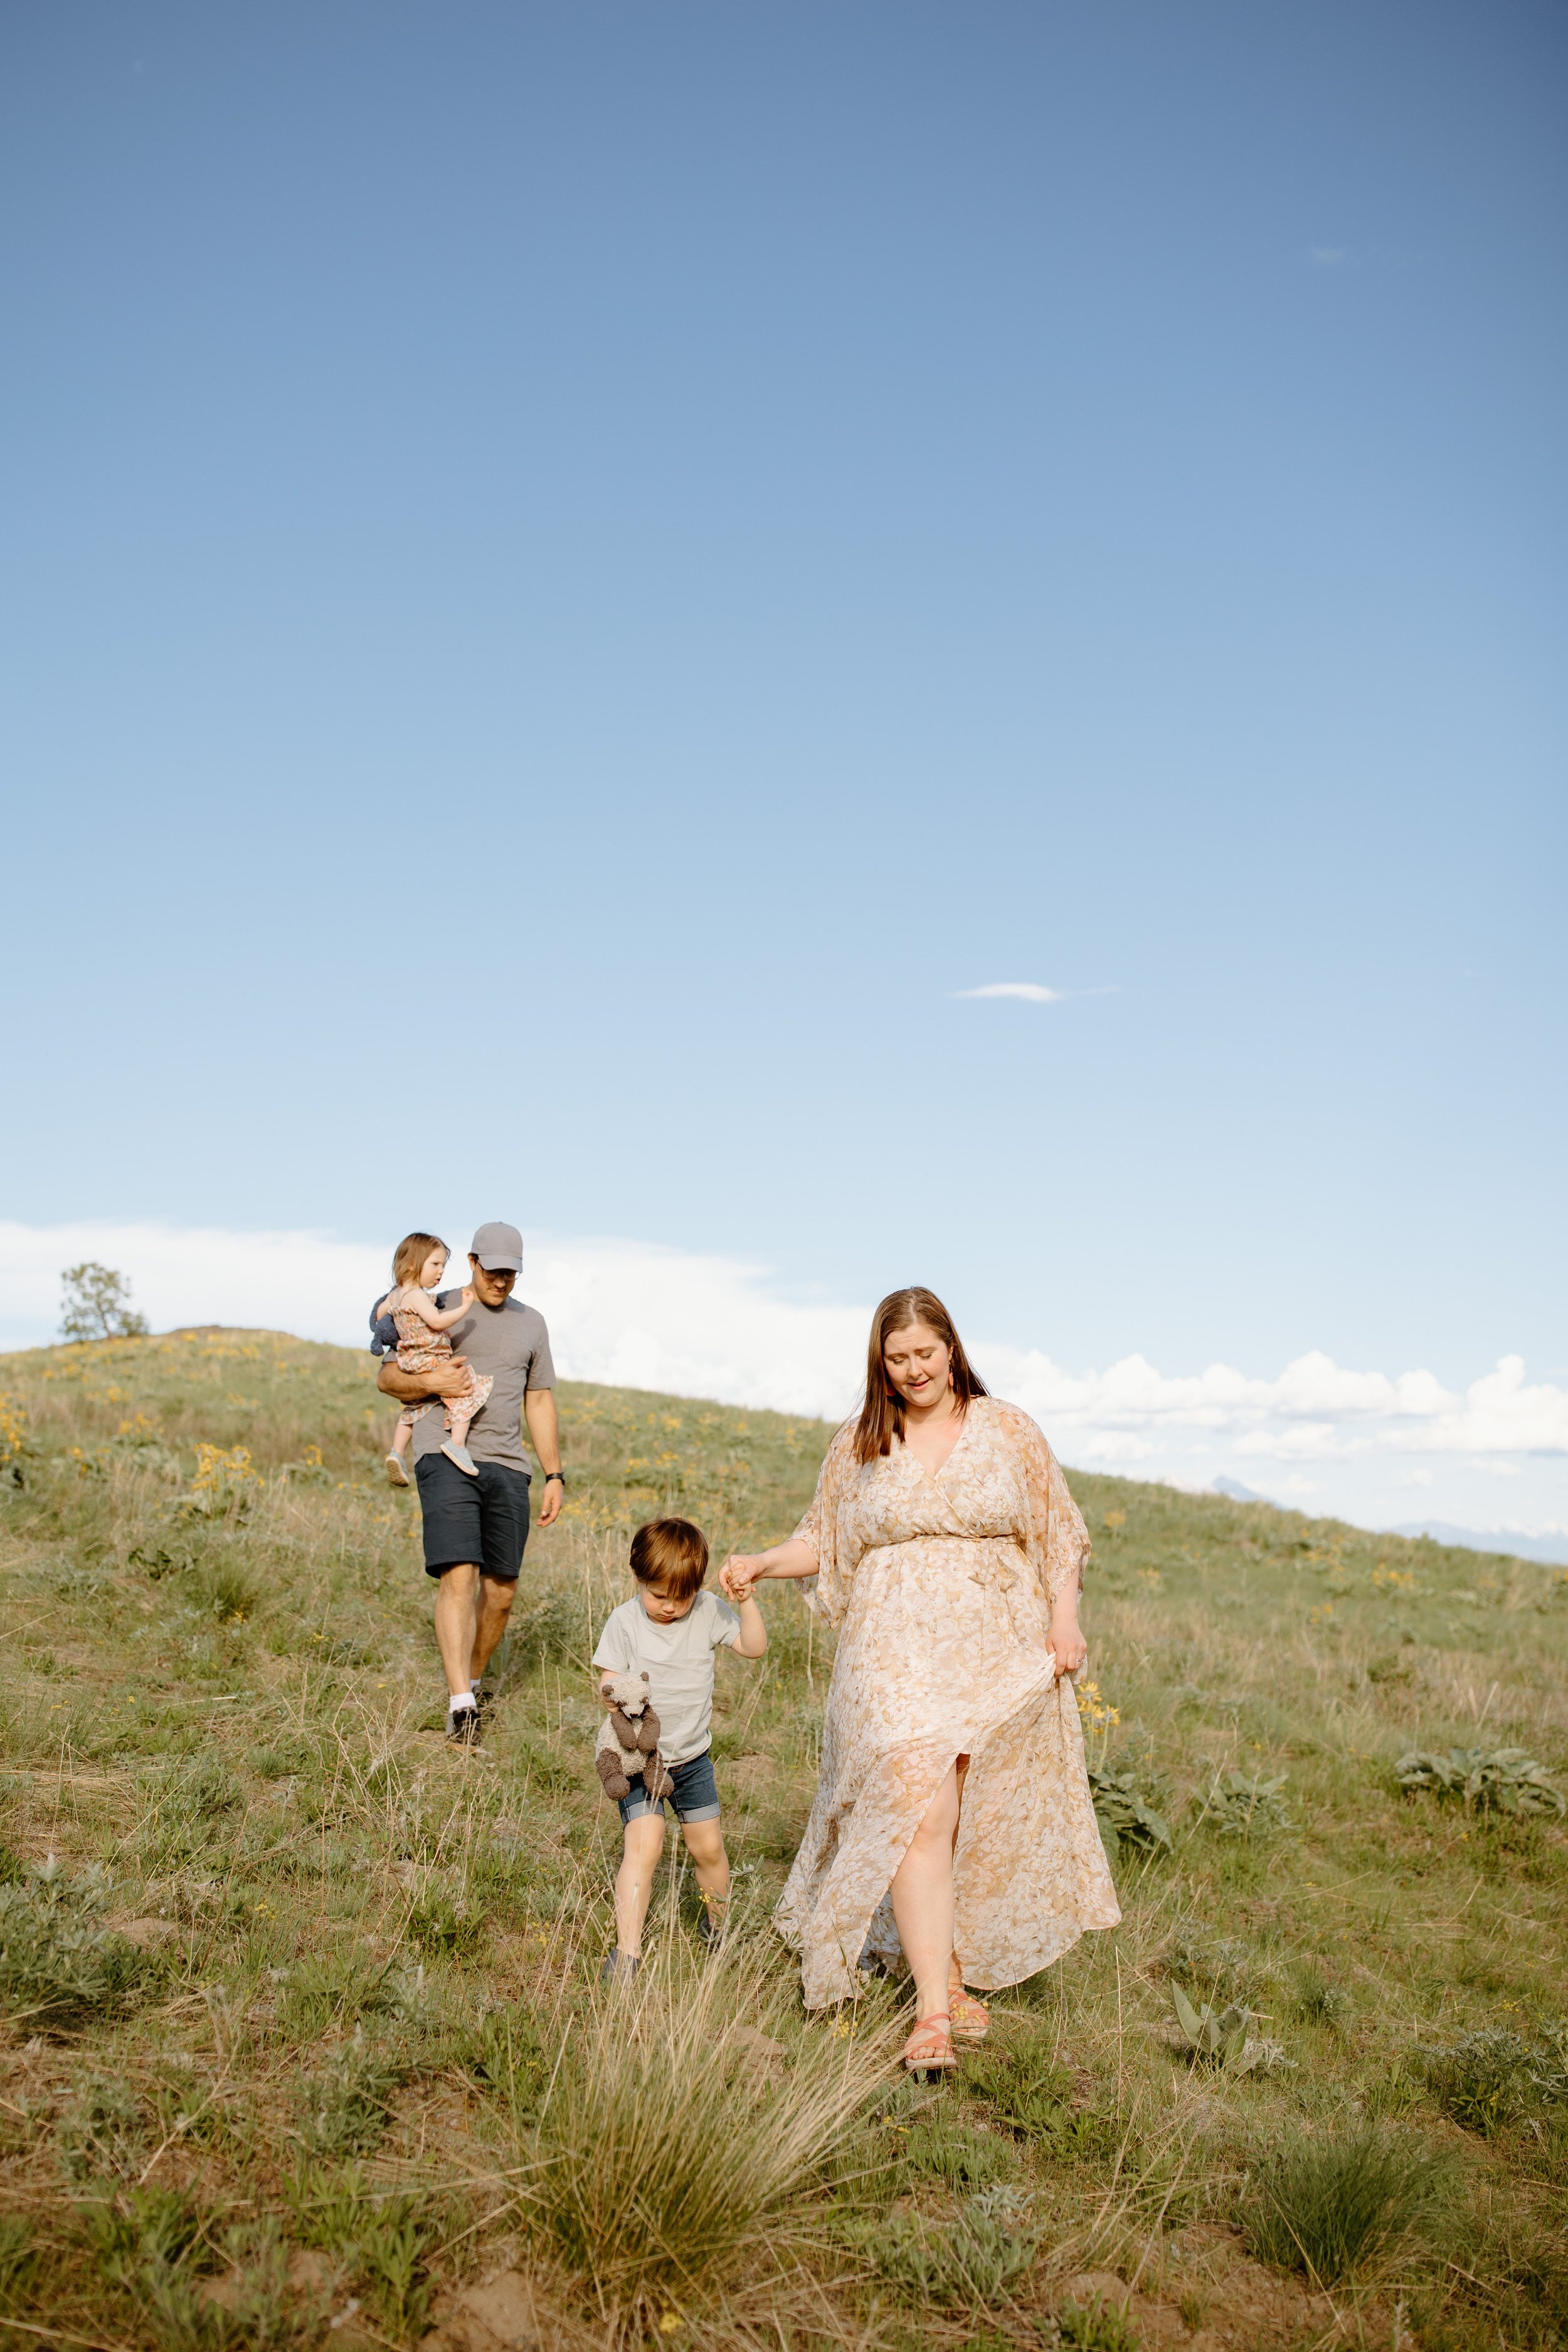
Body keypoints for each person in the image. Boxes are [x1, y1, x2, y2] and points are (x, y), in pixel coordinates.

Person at [721, 1286, 1120, 2075]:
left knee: (973, 1809)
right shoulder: (862, 1441)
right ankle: (933, 2013)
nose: (912, 1372)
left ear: (951, 1347)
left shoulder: (1007, 1429)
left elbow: (1057, 1530)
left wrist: (1064, 1619)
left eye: (924, 1355)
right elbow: (823, 1539)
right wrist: (766, 1561)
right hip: (890, 1647)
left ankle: (949, 1973)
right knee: (917, 1796)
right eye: (896, 1359)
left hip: (994, 1644)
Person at [374, 1221, 564, 1745]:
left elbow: (540, 1401)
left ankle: (474, 1681)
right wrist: (429, 1381)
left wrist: (554, 1473)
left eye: (511, 1273)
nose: (502, 1281)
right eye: (493, 1270)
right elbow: (387, 1377)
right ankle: (461, 1705)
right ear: (474, 1263)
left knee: (501, 1593)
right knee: (460, 1574)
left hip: (508, 1464)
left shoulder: (533, 1325)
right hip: (443, 1452)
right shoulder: (429, 1304)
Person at [591, 1516, 766, 1983]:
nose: (670, 1607)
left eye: (681, 1597)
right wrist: (623, 1691)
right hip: (639, 1762)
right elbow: (606, 1682)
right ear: (638, 1579)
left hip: (692, 1761)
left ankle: (718, 1931)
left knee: (707, 1849)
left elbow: (754, 1647)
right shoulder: (625, 1621)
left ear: (699, 1586)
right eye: (658, 1596)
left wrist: (746, 1603)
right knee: (644, 1849)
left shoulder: (708, 1611)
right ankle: (627, 1954)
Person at [379, 1233, 490, 1482]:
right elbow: (437, 1320)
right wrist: (464, 1308)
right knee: (465, 1386)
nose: (440, 1272)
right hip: (430, 1356)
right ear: (411, 1264)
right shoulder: (417, 1296)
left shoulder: (395, 1295)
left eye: (443, 1265)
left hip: (409, 1360)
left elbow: (379, 1317)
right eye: (435, 1264)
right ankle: (457, 1443)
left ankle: (397, 1452)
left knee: (414, 1405)